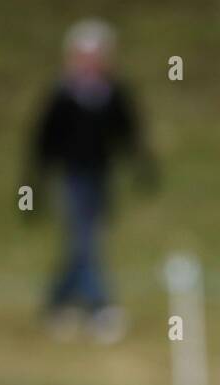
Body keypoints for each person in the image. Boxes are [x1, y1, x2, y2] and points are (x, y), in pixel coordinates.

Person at [29, 19, 158, 343]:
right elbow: (44, 140)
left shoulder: (112, 93)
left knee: (84, 241)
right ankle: (100, 307)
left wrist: (142, 165)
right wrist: (33, 185)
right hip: (71, 177)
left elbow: (128, 132)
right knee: (86, 239)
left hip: (100, 176)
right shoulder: (62, 94)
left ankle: (57, 302)